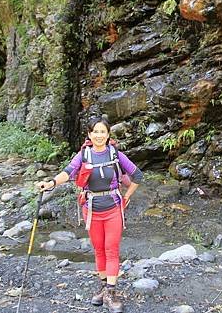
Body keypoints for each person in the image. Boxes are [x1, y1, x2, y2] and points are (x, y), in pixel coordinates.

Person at [36, 117, 142, 313]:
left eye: (103, 132)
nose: (99, 135)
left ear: (108, 134)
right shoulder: (83, 155)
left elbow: (138, 175)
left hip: (113, 209)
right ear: (89, 134)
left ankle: (111, 292)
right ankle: (103, 287)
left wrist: (127, 196)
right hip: (92, 211)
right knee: (99, 250)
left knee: (111, 249)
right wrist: (50, 183)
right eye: (96, 132)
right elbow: (68, 172)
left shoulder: (116, 154)